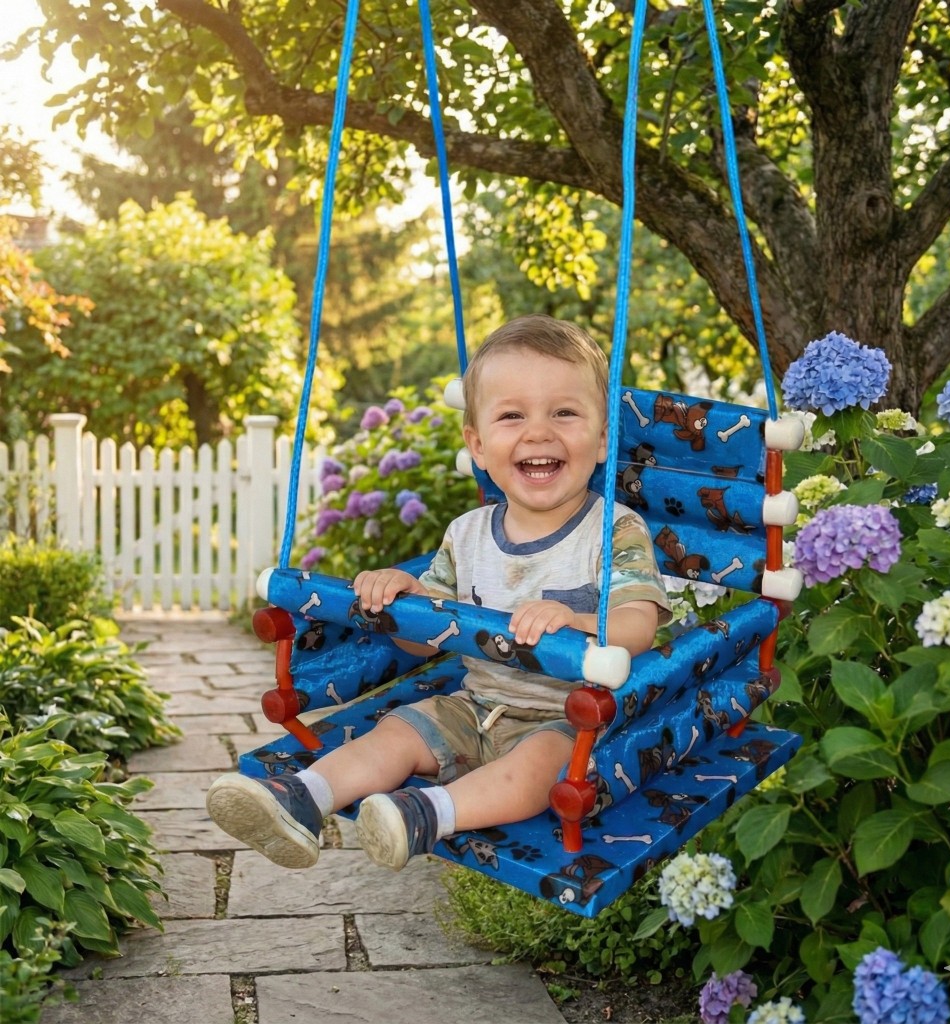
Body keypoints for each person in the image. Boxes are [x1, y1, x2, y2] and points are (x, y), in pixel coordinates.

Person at [205, 314, 671, 871]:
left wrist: (574, 622)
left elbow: (638, 623)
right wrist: (404, 595)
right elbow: (431, 638)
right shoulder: (466, 533)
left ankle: (427, 813)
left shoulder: (615, 530)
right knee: (397, 733)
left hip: (566, 719)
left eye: (565, 413)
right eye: (512, 415)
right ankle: (303, 798)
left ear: (601, 441)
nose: (539, 432)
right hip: (472, 704)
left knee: (535, 771)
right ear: (477, 444)